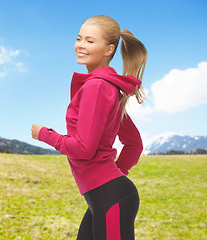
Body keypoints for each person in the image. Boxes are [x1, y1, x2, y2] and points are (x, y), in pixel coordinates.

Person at [31, 15, 147, 240]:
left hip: (110, 195)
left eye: (90, 41)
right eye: (79, 38)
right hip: (105, 196)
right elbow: (134, 144)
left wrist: (45, 134)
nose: (80, 45)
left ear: (108, 50)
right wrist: (115, 174)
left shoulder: (96, 88)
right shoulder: (110, 88)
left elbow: (84, 148)